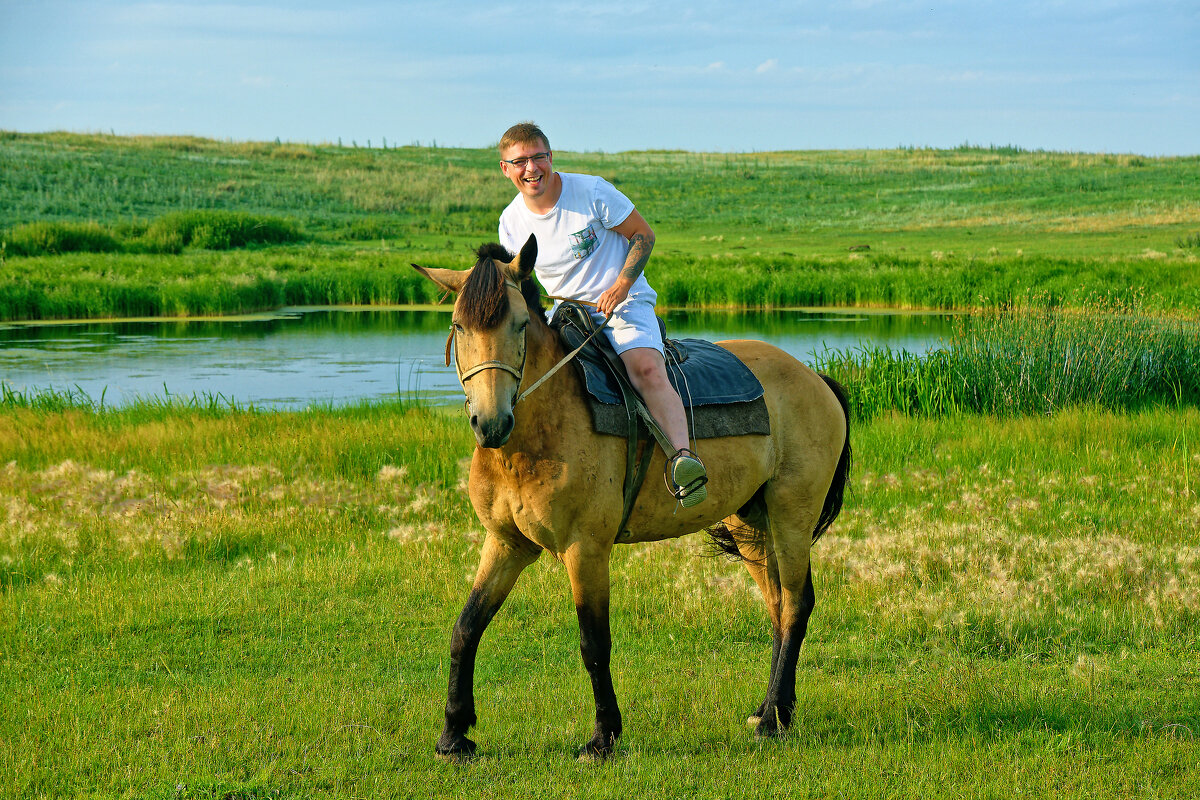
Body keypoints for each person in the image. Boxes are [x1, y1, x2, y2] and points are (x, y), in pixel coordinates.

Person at [496, 122, 708, 508]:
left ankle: (684, 461)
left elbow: (643, 235)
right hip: (566, 313)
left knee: (644, 368)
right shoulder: (511, 222)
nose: (532, 168)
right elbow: (519, 283)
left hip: (623, 302)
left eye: (538, 157)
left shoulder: (591, 192)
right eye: (520, 161)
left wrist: (621, 287)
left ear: (550, 157)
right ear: (505, 168)